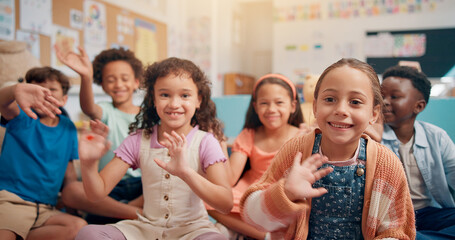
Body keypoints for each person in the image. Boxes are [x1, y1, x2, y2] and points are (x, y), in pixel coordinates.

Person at [240, 58, 416, 239]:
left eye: (355, 102)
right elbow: (253, 218)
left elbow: (396, 232)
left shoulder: (386, 164)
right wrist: (285, 193)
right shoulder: (296, 151)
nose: (341, 110)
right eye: (330, 99)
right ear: (315, 107)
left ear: (374, 114)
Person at [75, 57, 233, 240]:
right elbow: (96, 194)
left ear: (198, 100)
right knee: (88, 234)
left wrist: (186, 173)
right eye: (165, 95)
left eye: (185, 95)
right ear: (153, 99)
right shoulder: (137, 140)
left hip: (192, 231)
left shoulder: (206, 141)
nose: (174, 104)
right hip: (145, 229)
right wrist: (88, 164)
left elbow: (225, 204)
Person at [208, 73, 304, 239]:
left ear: (293, 106)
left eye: (279, 102)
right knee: (208, 201)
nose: (271, 109)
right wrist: (221, 144)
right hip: (249, 193)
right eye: (264, 103)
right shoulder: (249, 134)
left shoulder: (302, 136)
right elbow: (230, 180)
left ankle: (238, 231)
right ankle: (263, 236)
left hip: (280, 194)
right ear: (255, 106)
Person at [55, 46, 144, 223]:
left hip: (143, 186)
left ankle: (117, 212)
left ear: (136, 82)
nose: (118, 84)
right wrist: (86, 76)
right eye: (110, 80)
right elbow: (88, 107)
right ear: (102, 84)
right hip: (106, 186)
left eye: (124, 79)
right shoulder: (106, 110)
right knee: (71, 191)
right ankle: (135, 214)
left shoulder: (149, 114)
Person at [0, 67, 87, 240]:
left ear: (64, 99)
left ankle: (21, 234)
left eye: (52, 89)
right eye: (36, 89)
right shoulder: (21, 117)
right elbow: (3, 102)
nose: (44, 94)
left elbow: (69, 176)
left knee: (79, 227)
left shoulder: (68, 127)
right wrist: (15, 90)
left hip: (46, 209)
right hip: (12, 202)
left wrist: (73, 209)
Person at [378, 65, 455, 239]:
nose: (384, 101)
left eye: (394, 96)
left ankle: (417, 237)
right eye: (381, 96)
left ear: (418, 106)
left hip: (429, 213)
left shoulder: (436, 136)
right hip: (392, 218)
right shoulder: (372, 137)